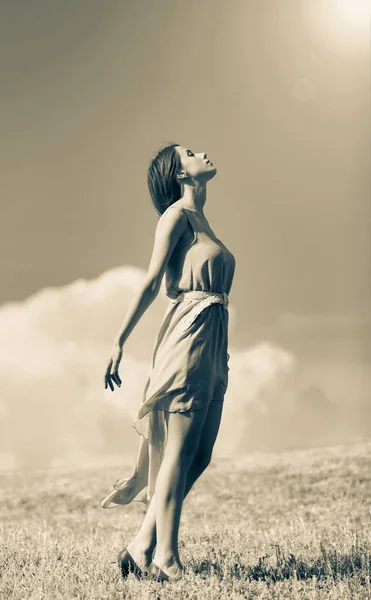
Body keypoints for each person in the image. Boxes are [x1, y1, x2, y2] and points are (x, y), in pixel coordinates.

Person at [102, 142, 236, 582]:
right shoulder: (176, 215)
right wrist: (119, 340)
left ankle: (140, 545)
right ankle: (165, 556)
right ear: (181, 175)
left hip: (214, 337)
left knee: (200, 453)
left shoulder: (202, 220)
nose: (203, 153)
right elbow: (151, 279)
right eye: (191, 152)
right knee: (180, 450)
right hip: (189, 334)